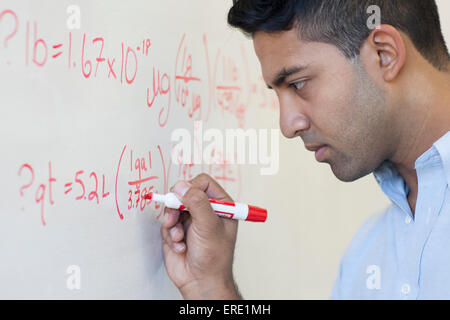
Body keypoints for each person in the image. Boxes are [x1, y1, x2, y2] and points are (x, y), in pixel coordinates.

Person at [160, 0, 450, 299]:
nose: (288, 126)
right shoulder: (367, 254)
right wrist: (210, 289)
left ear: (384, 54)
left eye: (298, 84)